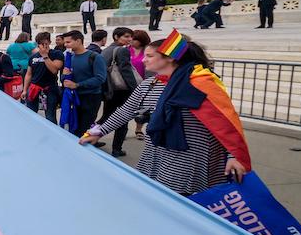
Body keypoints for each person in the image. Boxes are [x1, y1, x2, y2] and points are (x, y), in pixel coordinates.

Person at [80, 32, 250, 195]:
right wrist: (98, 131)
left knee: (185, 201)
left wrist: (233, 155)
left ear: (169, 58)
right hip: (158, 152)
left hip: (191, 156)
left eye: (150, 56)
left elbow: (226, 123)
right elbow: (126, 111)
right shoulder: (149, 84)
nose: (143, 60)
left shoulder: (201, 83)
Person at [99, 28, 140, 157]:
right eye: (126, 36)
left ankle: (89, 135)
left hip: (110, 90)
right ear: (116, 36)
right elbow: (126, 71)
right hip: (122, 90)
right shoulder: (122, 50)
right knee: (123, 120)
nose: (129, 39)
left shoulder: (106, 50)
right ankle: (117, 148)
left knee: (105, 117)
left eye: (130, 37)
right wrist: (136, 90)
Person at [61, 30, 107, 137]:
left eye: (68, 42)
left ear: (78, 41)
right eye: (65, 42)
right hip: (74, 98)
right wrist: (64, 76)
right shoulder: (69, 57)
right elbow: (66, 79)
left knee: (85, 128)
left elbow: (100, 78)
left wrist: (77, 85)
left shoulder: (95, 57)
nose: (66, 45)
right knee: (75, 127)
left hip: (91, 97)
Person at [23, 32, 64, 123]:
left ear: (49, 42)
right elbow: (29, 74)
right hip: (34, 87)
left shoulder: (56, 54)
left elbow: (54, 70)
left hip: (49, 88)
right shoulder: (33, 57)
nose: (43, 46)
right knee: (30, 113)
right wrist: (25, 90)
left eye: (45, 43)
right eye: (41, 44)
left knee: (50, 116)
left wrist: (45, 56)